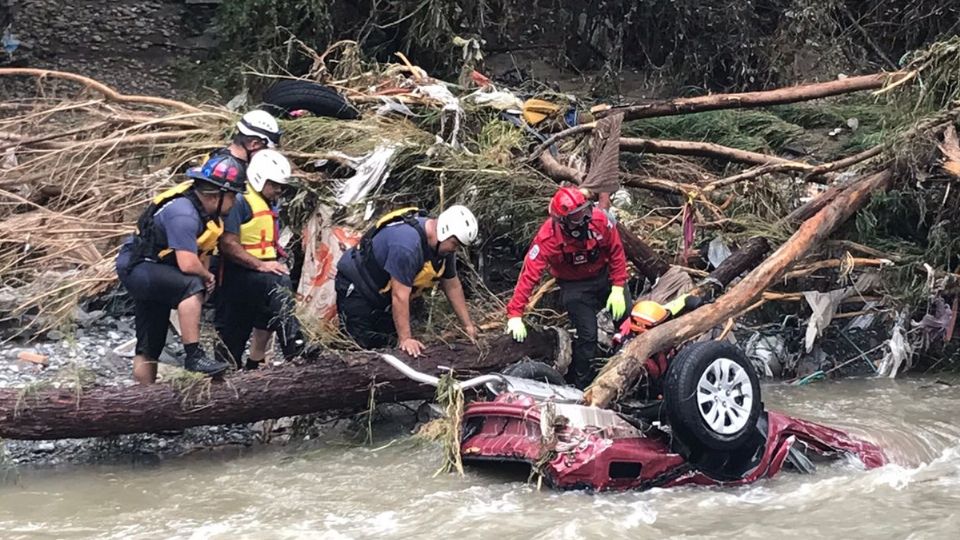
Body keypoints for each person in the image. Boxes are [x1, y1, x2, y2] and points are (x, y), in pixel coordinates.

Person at [115, 154, 247, 384]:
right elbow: (187, 264)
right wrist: (206, 277)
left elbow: (202, 252)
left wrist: (207, 279)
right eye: (233, 196)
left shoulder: (209, 215)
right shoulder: (184, 214)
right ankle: (193, 355)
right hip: (140, 267)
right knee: (191, 285)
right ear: (217, 195)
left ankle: (145, 401)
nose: (234, 202)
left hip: (155, 270)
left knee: (150, 344)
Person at [505, 186, 630, 388]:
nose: (584, 219)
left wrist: (617, 286)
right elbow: (530, 274)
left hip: (604, 276)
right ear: (563, 221)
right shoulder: (548, 238)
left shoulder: (600, 221)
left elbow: (616, 252)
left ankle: (630, 373)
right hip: (575, 287)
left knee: (628, 324)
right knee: (587, 337)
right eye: (576, 216)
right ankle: (583, 386)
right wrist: (515, 314)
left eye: (586, 211)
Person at [335, 205, 480, 357]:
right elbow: (399, 296)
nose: (455, 250)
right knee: (361, 347)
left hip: (383, 293)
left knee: (388, 342)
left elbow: (452, 285)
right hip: (357, 284)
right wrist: (406, 339)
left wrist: (467, 325)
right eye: (455, 245)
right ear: (445, 232)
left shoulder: (443, 249)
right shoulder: (407, 246)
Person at [215, 149, 305, 370]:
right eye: (274, 185)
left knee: (268, 310)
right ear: (259, 178)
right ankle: (294, 344)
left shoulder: (267, 202)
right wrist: (261, 265)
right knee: (231, 340)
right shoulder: (239, 202)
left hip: (258, 276)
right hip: (238, 275)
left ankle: (259, 362)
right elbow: (228, 244)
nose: (278, 191)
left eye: (280, 187)